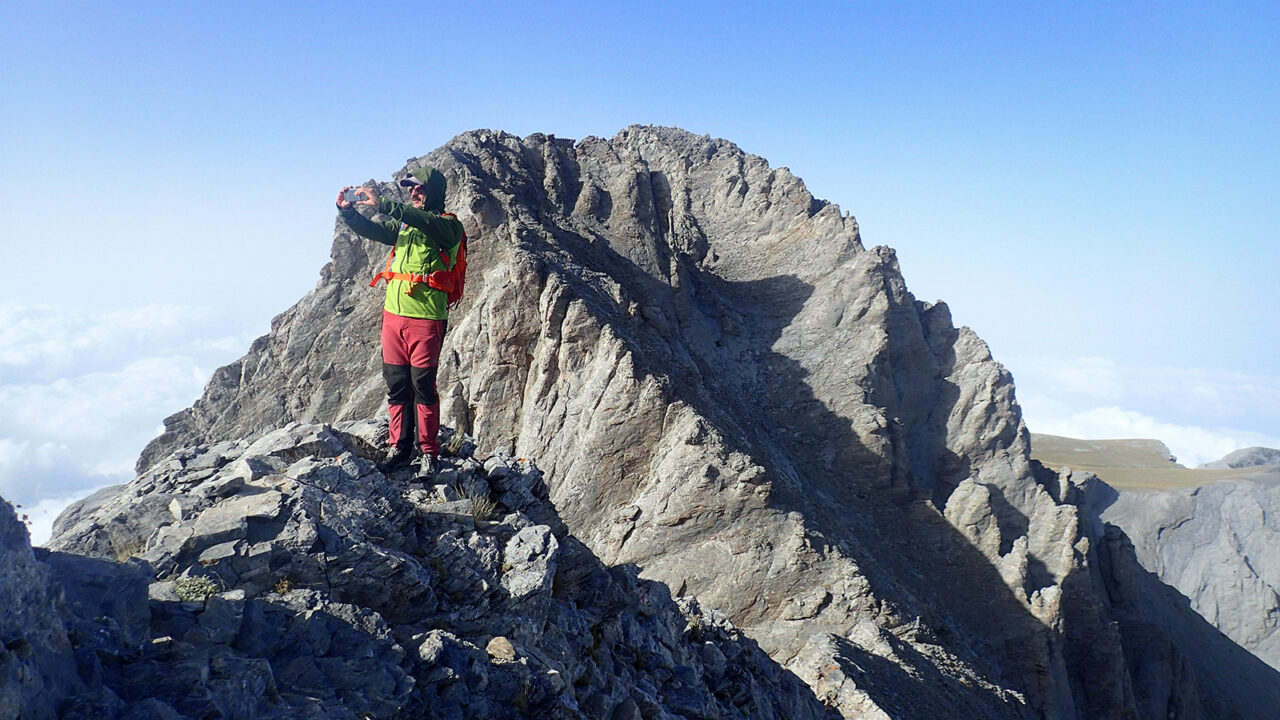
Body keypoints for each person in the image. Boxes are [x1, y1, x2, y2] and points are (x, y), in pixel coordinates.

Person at [335, 167, 465, 478]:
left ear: (432, 191)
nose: (413, 192)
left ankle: (429, 452)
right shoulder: (406, 223)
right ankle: (400, 447)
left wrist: (382, 204)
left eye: (419, 188)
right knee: (396, 385)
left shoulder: (448, 226)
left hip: (426, 318)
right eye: (410, 188)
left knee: (423, 386)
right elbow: (376, 232)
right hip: (394, 316)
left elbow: (426, 221)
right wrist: (349, 214)